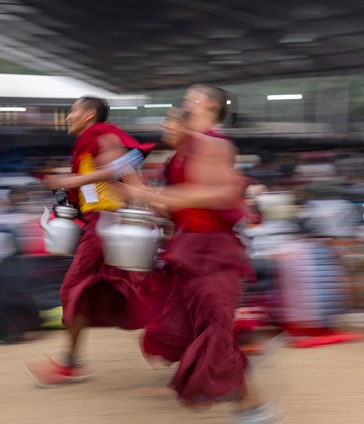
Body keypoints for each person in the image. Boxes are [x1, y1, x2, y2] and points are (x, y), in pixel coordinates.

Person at [119, 85, 285, 423]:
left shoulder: (216, 145)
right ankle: (242, 354)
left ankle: (255, 408)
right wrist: (146, 198)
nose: (182, 105)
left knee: (213, 333)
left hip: (213, 252)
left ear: (208, 104)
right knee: (180, 329)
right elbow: (178, 208)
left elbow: (220, 197)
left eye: (191, 97)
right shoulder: (182, 154)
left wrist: (153, 196)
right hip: (187, 250)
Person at [24, 96, 155, 387]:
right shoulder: (91, 140)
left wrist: (74, 182)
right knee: (129, 291)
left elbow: (127, 164)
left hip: (108, 226)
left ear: (89, 114)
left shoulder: (102, 134)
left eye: (72, 110)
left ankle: (70, 365)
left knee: (76, 289)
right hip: (107, 226)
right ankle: (70, 363)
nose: (68, 116)